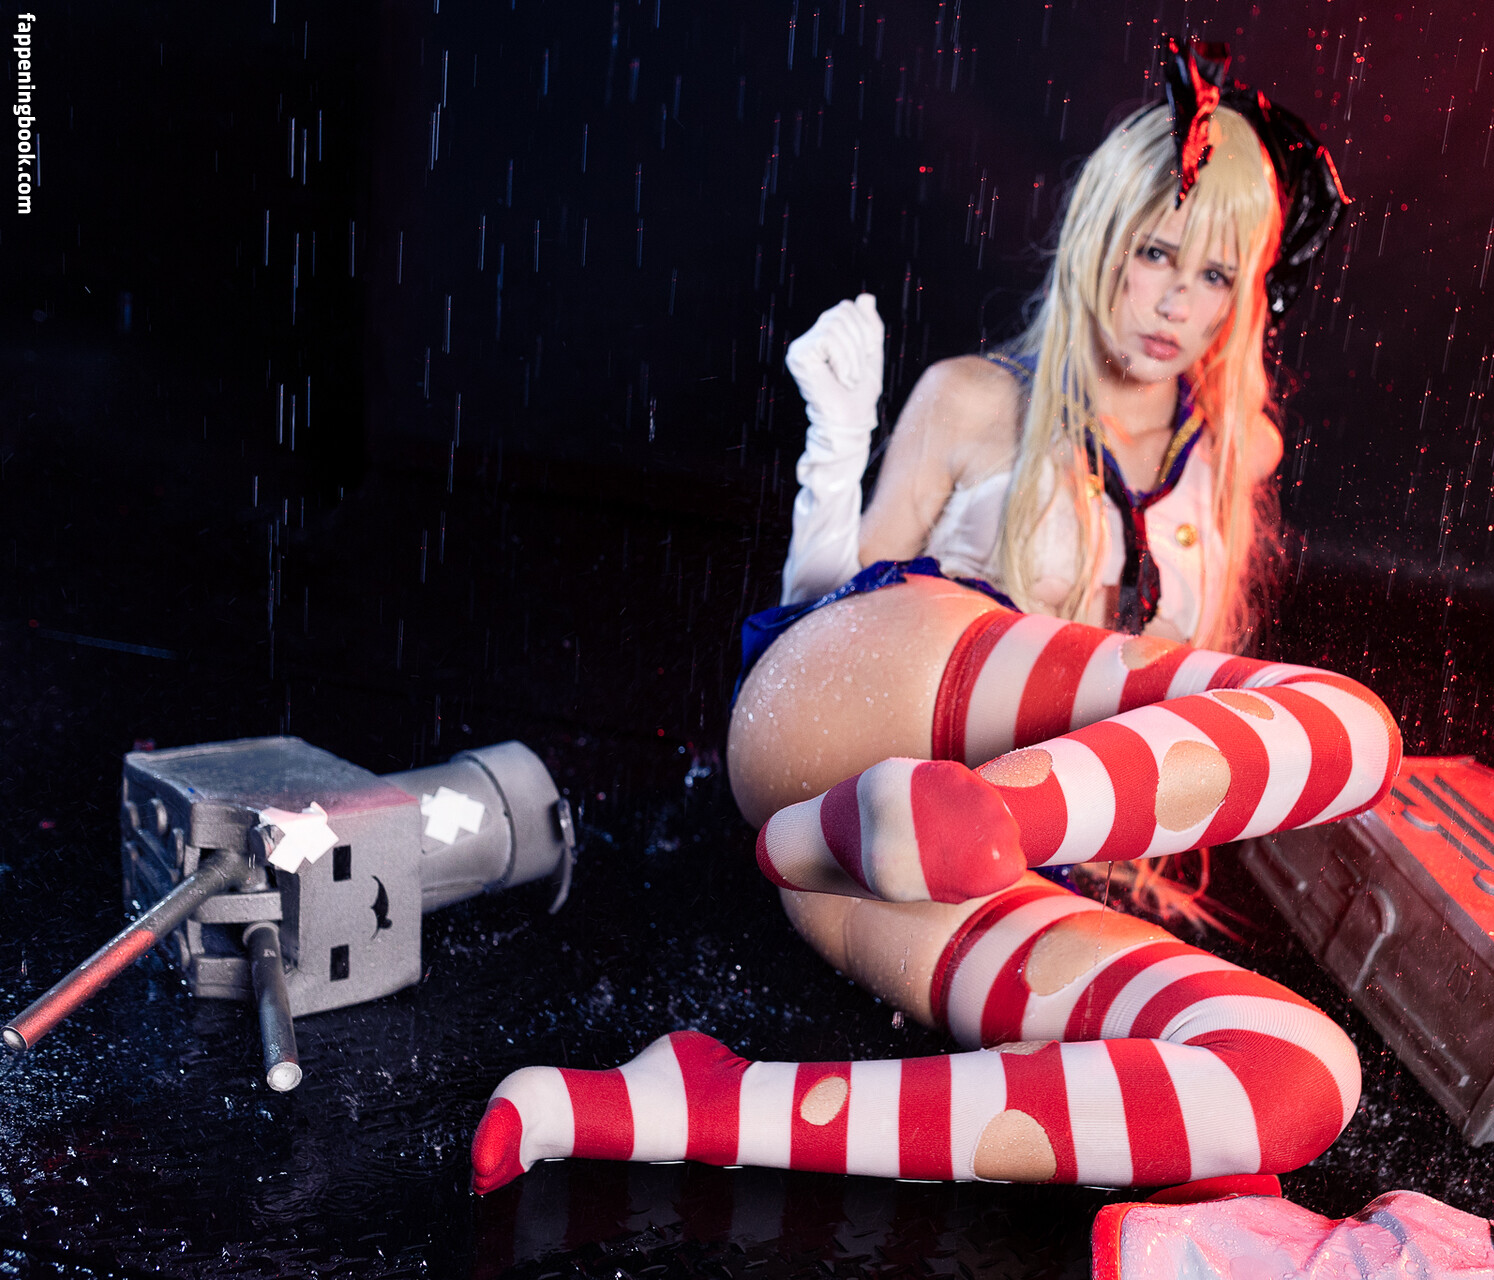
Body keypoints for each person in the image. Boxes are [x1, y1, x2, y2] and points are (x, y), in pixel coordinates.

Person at [470, 39, 1396, 1196]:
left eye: (1216, 273)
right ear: (1099, 239)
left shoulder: (1235, 450)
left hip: (949, 862)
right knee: (1352, 724)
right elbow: (817, 631)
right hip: (857, 715)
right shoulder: (972, 399)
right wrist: (833, 451)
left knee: (1296, 1076)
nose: (1176, 301)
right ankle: (957, 811)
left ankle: (682, 1103)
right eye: (1156, 252)